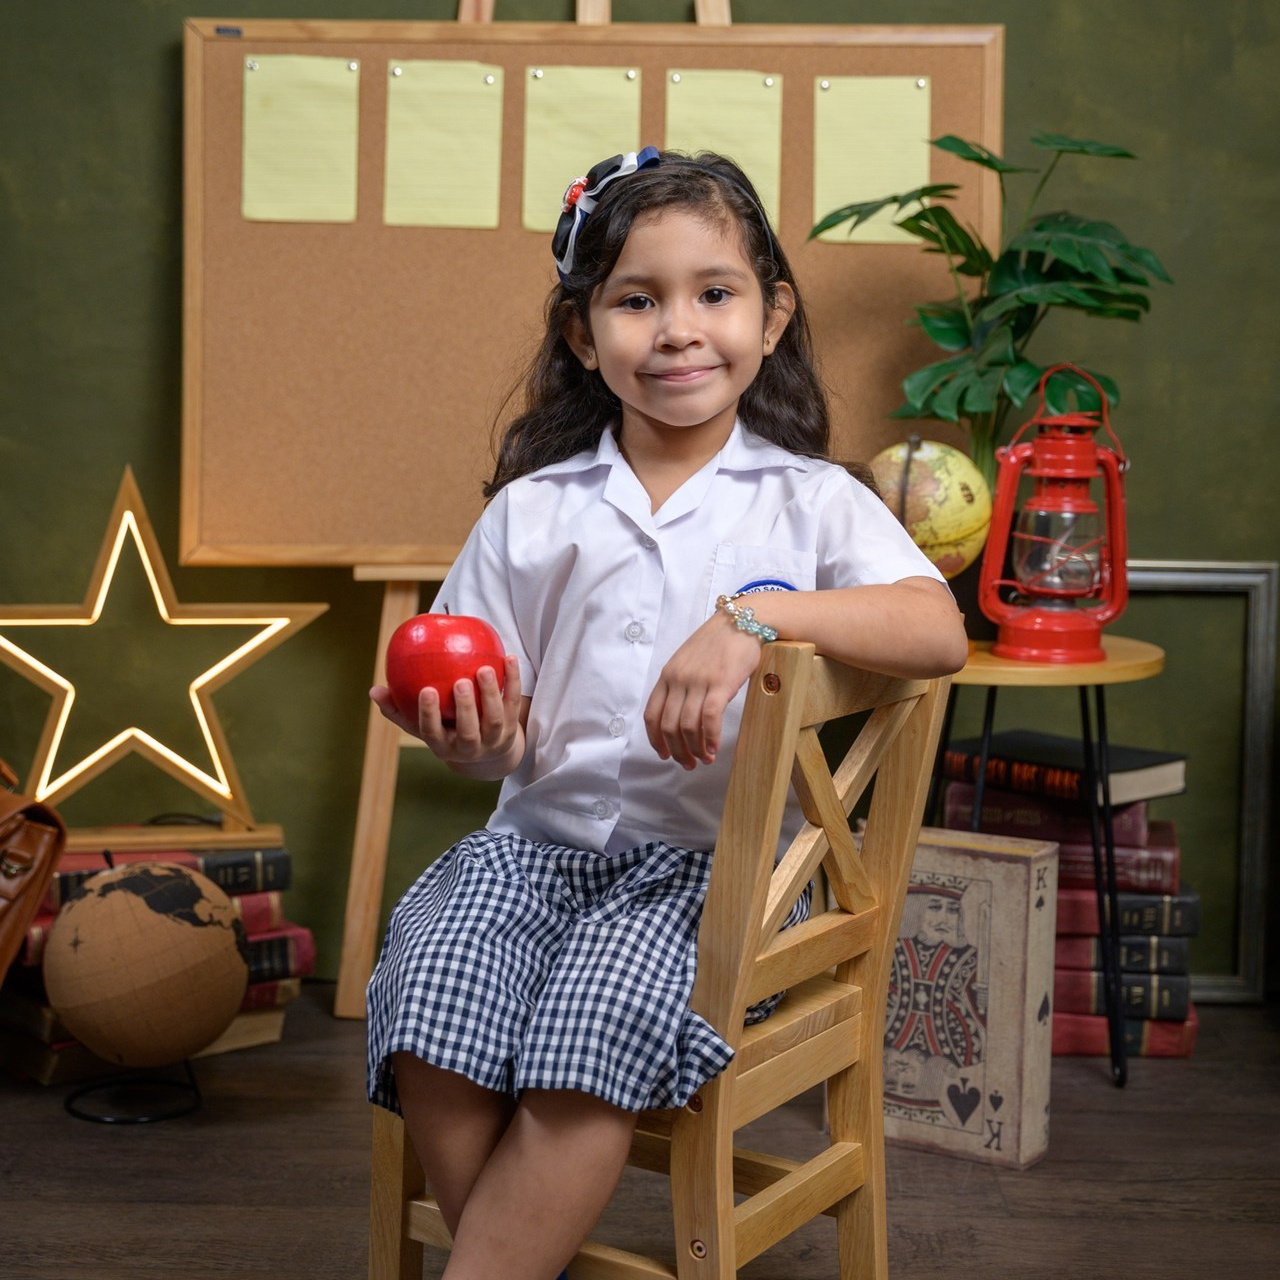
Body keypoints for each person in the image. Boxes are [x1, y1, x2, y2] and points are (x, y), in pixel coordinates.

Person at [365, 147, 968, 1280]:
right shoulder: (533, 514)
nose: (678, 328)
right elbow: (501, 728)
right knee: (428, 980)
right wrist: (476, 737)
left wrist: (756, 615)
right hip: (532, 853)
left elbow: (936, 631)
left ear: (771, 314)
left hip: (714, 873)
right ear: (585, 337)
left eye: (713, 292)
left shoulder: (810, 502)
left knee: (587, 1032)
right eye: (636, 300)